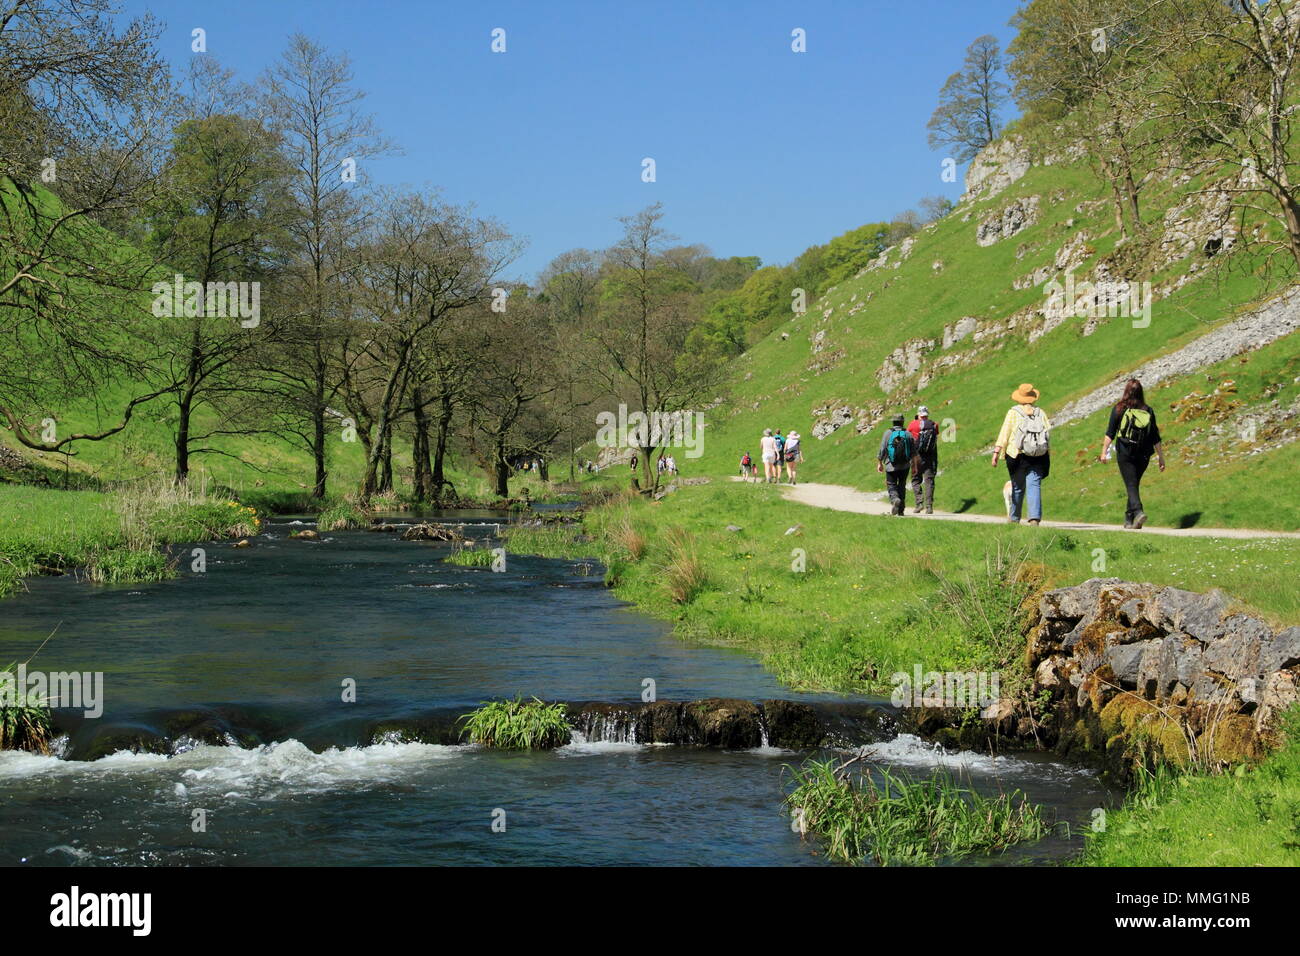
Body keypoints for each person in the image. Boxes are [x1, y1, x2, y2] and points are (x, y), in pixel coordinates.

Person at [1100, 378, 1166, 529]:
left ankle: (1138, 511)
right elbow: (1155, 437)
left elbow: (1110, 433)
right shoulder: (1148, 410)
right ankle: (1129, 519)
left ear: (1126, 392)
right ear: (1141, 392)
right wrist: (1161, 458)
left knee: (1131, 484)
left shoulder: (1119, 409)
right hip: (1144, 454)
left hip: (1125, 452)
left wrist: (1103, 452)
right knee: (1133, 484)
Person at [992, 383, 1051, 525]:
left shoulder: (1013, 413)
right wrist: (1047, 454)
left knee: (1017, 487)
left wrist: (997, 452)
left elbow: (1004, 433)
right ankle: (1034, 518)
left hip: (1016, 455)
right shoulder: (1040, 413)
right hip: (1038, 455)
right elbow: (1047, 435)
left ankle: (1014, 518)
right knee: (1034, 485)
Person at [877, 414, 914, 515]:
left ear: (893, 422)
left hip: (890, 465)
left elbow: (882, 449)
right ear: (902, 422)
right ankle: (901, 511)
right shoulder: (907, 434)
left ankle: (894, 499)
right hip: (905, 466)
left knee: (891, 484)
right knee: (902, 485)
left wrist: (880, 462)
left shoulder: (888, 433)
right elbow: (913, 450)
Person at [907, 405, 939, 514]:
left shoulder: (913, 424)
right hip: (929, 456)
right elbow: (935, 439)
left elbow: (908, 437)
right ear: (927, 414)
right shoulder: (934, 424)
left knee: (916, 480)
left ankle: (919, 504)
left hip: (916, 456)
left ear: (918, 415)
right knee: (929, 481)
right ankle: (929, 507)